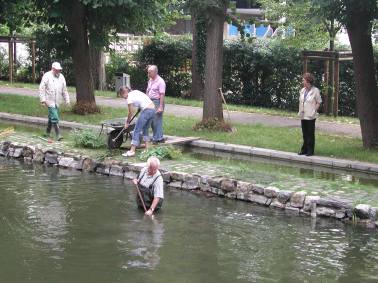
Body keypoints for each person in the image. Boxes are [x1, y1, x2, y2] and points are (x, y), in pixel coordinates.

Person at [119, 86, 156, 157]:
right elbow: (142, 99)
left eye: (122, 96)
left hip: (146, 110)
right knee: (145, 129)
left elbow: (130, 112)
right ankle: (147, 149)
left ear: (124, 93)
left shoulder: (129, 98)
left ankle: (132, 151)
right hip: (153, 110)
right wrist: (140, 108)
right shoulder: (135, 91)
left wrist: (127, 123)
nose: (123, 98)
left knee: (136, 130)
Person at [39, 62, 70, 141]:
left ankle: (47, 132)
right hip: (49, 100)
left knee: (51, 117)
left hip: (57, 101)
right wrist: (43, 100)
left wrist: (67, 100)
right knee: (55, 117)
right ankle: (58, 135)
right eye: (56, 70)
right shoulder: (47, 75)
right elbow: (41, 88)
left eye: (59, 70)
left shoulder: (62, 77)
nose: (58, 71)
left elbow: (64, 90)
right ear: (53, 69)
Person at [298, 73, 322, 156]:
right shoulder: (302, 90)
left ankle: (310, 151)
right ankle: (304, 150)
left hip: (311, 116)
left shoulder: (315, 90)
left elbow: (319, 102)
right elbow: (301, 101)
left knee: (310, 134)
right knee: (304, 133)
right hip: (303, 115)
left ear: (308, 81)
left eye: (303, 80)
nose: (302, 82)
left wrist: (314, 110)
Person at [146, 65, 166, 144]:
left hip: (157, 102)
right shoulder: (150, 80)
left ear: (155, 72)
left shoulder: (160, 81)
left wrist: (160, 107)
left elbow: (162, 94)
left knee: (157, 120)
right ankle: (158, 137)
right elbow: (148, 91)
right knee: (152, 120)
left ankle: (158, 138)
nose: (148, 73)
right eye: (148, 72)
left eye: (150, 72)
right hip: (150, 101)